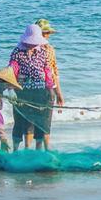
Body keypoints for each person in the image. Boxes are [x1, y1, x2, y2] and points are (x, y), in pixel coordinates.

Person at [9, 24, 55, 151]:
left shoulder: (43, 52)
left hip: (41, 91)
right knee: (21, 121)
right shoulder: (17, 52)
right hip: (22, 91)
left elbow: (47, 71)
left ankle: (38, 150)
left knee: (41, 121)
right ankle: (17, 150)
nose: (33, 45)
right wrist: (11, 89)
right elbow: (12, 71)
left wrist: (50, 88)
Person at [34, 19, 64, 150]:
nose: (48, 35)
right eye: (45, 33)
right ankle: (44, 148)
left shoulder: (27, 48)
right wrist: (59, 93)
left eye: (47, 33)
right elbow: (54, 73)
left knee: (38, 119)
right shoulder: (48, 49)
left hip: (38, 89)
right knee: (44, 120)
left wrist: (59, 94)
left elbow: (54, 72)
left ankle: (40, 148)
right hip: (45, 89)